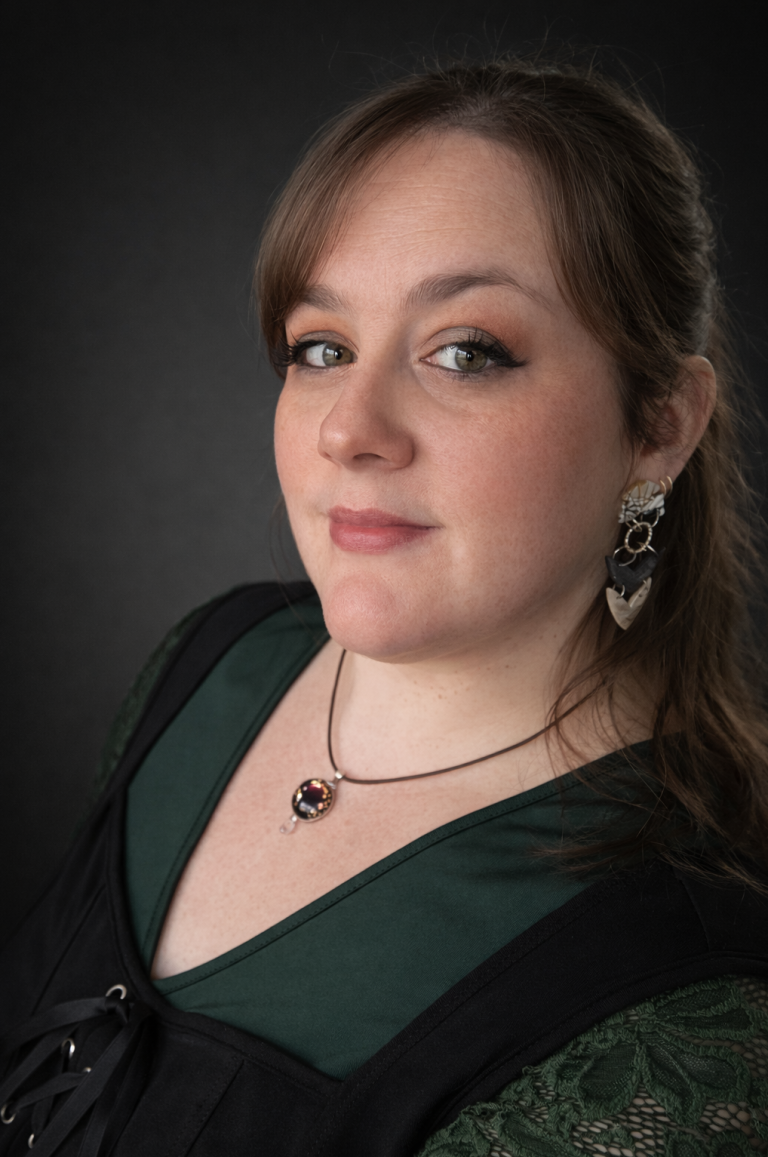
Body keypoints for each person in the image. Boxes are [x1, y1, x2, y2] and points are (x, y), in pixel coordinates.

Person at [2, 54, 768, 1157]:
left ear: (660, 425)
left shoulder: (680, 1001)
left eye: (466, 352)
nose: (348, 428)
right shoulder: (211, 662)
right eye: (322, 347)